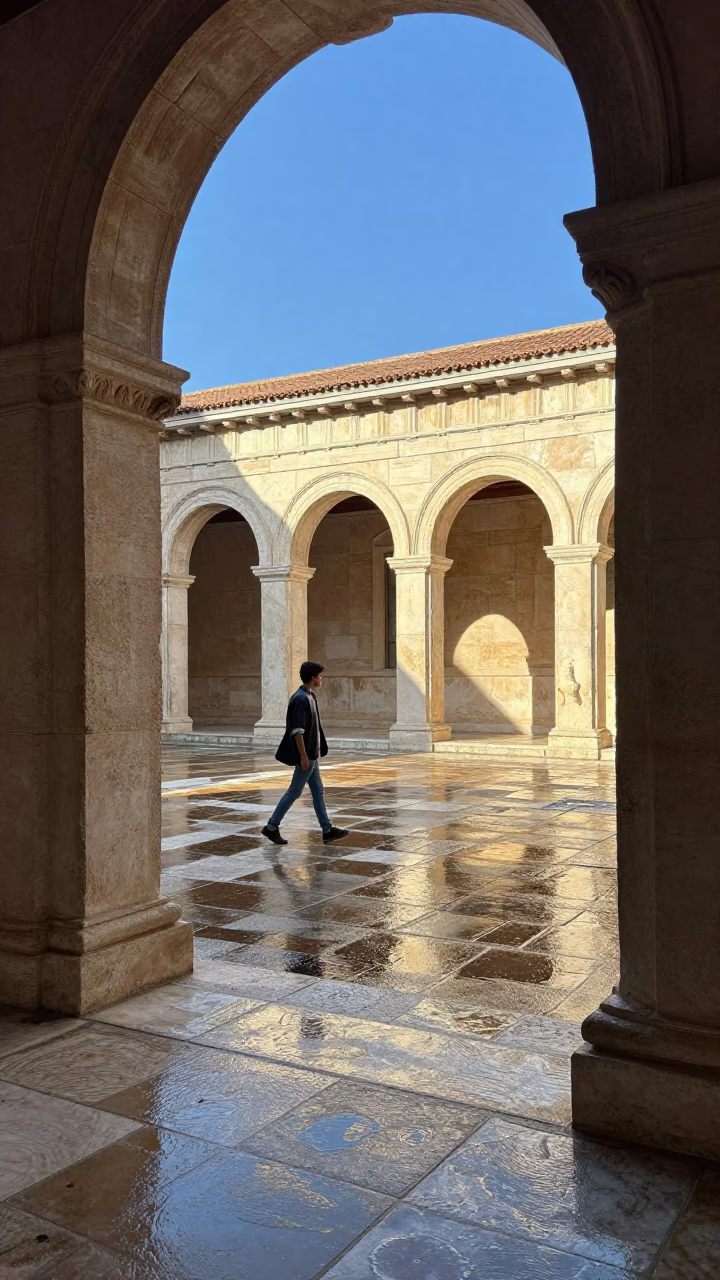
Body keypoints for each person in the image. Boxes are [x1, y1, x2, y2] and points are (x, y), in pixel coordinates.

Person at [261, 661, 348, 845]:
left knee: (318, 791)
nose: (321, 678)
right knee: (294, 791)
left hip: (312, 755)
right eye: (319, 675)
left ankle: (327, 830)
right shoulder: (301, 699)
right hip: (307, 755)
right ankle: (271, 826)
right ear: (312, 678)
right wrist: (302, 756)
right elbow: (297, 731)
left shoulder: (310, 696)